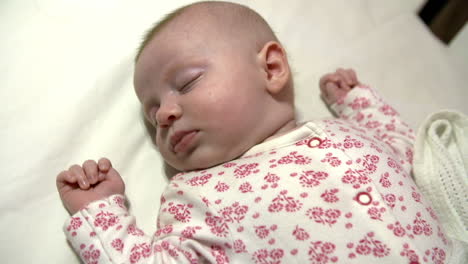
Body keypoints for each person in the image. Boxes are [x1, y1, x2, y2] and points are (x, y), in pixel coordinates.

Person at [56, 1, 453, 263]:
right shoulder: (199, 196)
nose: (164, 115)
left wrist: (358, 103)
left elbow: (415, 155)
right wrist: (100, 211)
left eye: (188, 82)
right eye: (152, 113)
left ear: (271, 69)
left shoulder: (346, 132)